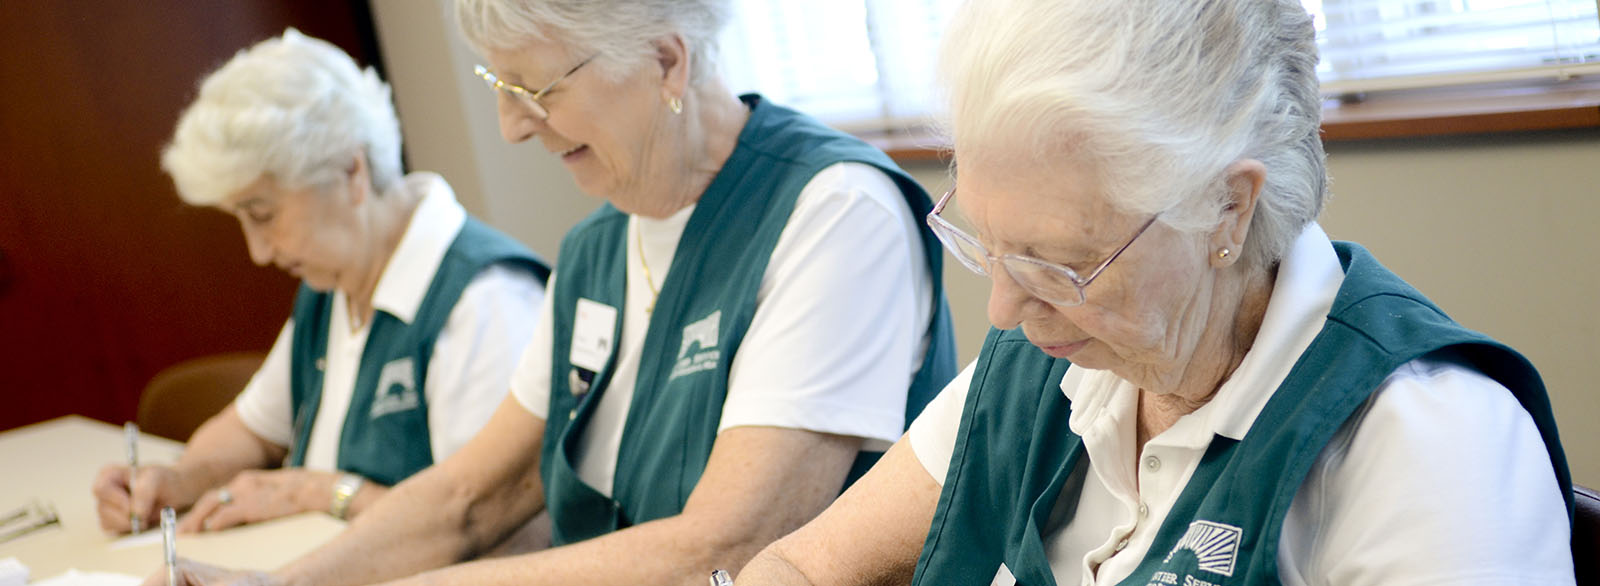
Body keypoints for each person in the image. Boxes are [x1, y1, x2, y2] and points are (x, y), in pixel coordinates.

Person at [736, 0, 1576, 584]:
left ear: (1229, 208)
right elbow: (803, 565)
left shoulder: (1425, 438)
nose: (1003, 313)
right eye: (989, 248)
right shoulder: (1057, 365)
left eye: (1060, 263)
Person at [152, 0, 956, 584]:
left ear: (668, 61)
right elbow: (472, 494)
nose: (510, 125)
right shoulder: (596, 246)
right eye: (496, 86)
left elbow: (725, 548)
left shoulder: (834, 211)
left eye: (534, 88)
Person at [94, 29, 550, 536]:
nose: (258, 252)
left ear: (350, 171)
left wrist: (314, 491)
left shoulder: (485, 300)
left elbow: (488, 526)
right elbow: (251, 429)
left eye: (263, 214)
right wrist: (176, 480)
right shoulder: (333, 285)